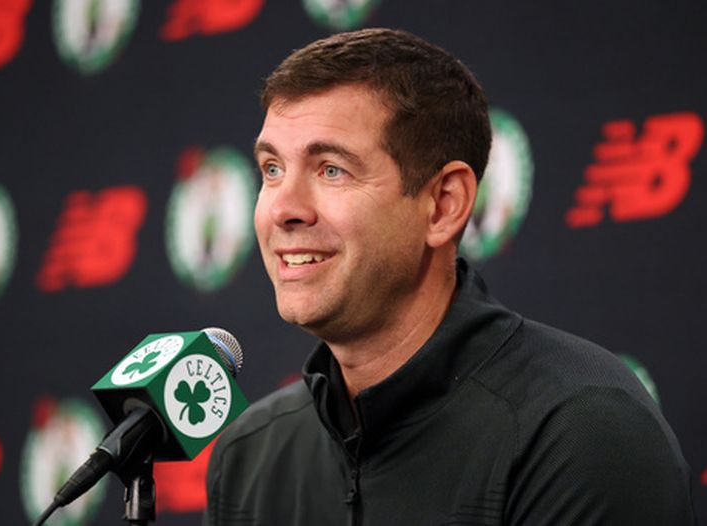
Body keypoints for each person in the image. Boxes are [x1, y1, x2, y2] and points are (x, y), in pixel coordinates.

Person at [204, 28, 695, 525]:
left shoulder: (578, 428)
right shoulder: (251, 454)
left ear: (444, 205)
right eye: (271, 170)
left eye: (331, 170)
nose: (282, 210)